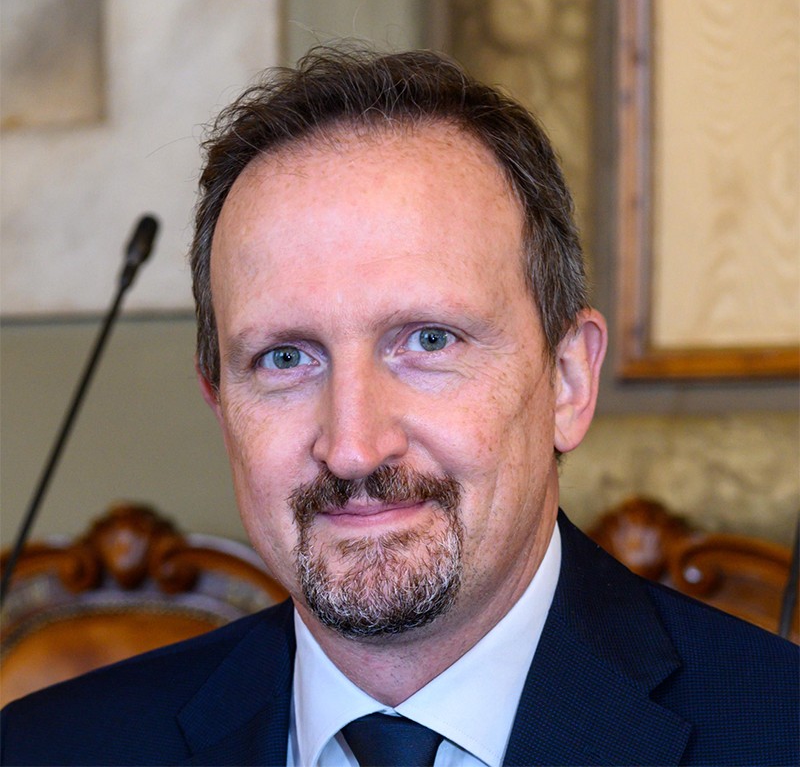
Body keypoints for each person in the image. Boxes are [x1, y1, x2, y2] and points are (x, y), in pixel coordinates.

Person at [1, 46, 797, 767]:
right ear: (220, 402)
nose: (353, 446)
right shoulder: (50, 751)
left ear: (568, 381)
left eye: (428, 341)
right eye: (285, 358)